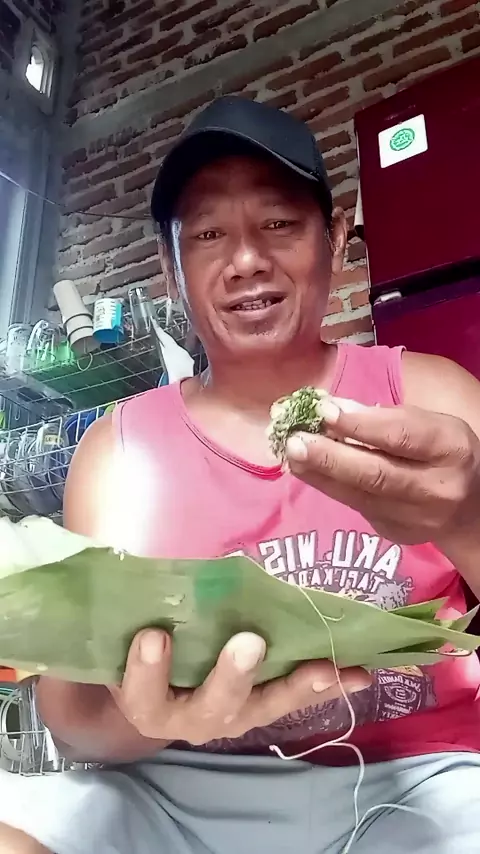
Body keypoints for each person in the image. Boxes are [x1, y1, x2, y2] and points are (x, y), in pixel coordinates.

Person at [1, 96, 480, 854]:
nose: (247, 259)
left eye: (280, 223)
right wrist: (147, 716)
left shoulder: (432, 394)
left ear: (338, 237)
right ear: (171, 270)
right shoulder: (118, 451)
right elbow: (74, 719)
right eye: (207, 234)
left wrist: (468, 521)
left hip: (423, 780)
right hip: (177, 792)